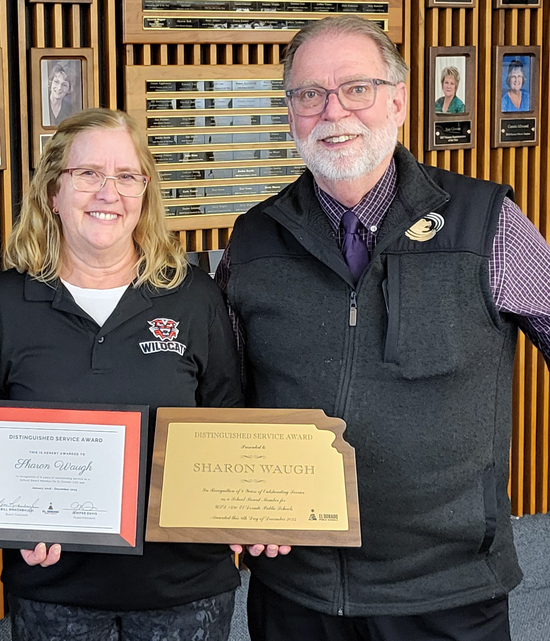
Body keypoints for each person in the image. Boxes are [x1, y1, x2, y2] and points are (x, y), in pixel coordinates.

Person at [217, 15, 550, 641]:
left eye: (356, 89)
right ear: (290, 111)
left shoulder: (487, 224)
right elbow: (219, 393)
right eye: (309, 94)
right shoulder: (253, 239)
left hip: (446, 586)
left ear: (397, 99)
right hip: (296, 586)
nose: (332, 111)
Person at [0, 108, 248, 640]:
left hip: (184, 586)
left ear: (144, 196)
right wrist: (10, 517)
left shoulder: (195, 298)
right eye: (88, 174)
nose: (108, 192)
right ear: (53, 194)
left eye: (127, 176)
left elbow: (228, 423)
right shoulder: (3, 304)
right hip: (54, 587)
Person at [45, 62, 76, 127]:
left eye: (64, 85)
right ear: (51, 82)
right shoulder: (42, 104)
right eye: (56, 82)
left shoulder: (70, 110)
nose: (59, 88)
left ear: (69, 89)